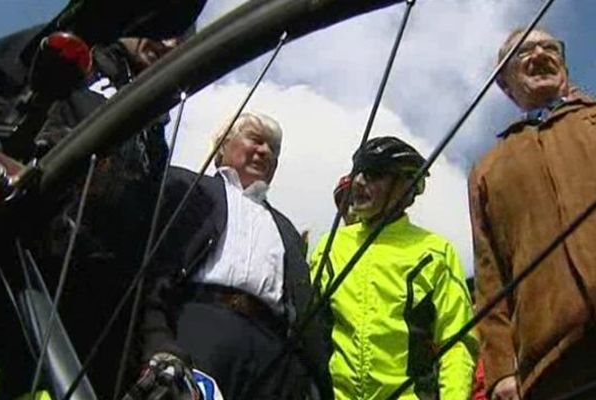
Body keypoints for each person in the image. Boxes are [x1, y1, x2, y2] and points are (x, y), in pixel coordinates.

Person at [0, 24, 192, 398]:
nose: (169, 42)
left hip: (93, 324)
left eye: (183, 38)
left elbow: (146, 255)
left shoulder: (154, 134)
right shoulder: (65, 43)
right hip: (15, 281)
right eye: (166, 25)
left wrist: (158, 342)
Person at [139, 112, 334, 400]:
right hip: (198, 326)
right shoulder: (187, 187)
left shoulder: (287, 230)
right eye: (256, 140)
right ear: (222, 145)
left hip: (273, 354)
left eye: (273, 149)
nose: (265, 151)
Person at [469, 27, 596, 399]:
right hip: (552, 363)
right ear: (505, 85)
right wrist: (501, 372)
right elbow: (490, 277)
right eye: (524, 51)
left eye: (549, 47)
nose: (539, 53)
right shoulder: (488, 169)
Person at [311, 136, 477, 399]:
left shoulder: (435, 252)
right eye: (358, 172)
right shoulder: (330, 246)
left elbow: (457, 342)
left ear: (407, 188)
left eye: (375, 174)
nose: (359, 182)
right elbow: (308, 334)